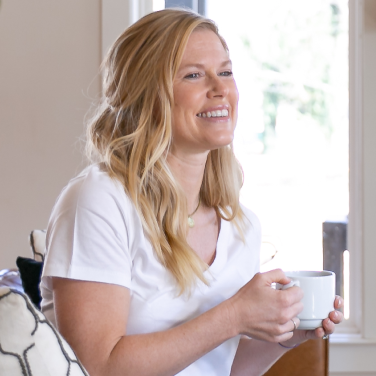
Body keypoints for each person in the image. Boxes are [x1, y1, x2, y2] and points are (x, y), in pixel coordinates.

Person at [40, 8, 343, 376]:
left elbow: (222, 368)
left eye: (226, 72)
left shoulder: (241, 226)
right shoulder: (99, 202)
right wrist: (233, 316)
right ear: (147, 94)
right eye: (194, 75)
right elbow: (97, 366)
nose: (220, 89)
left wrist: (284, 338)